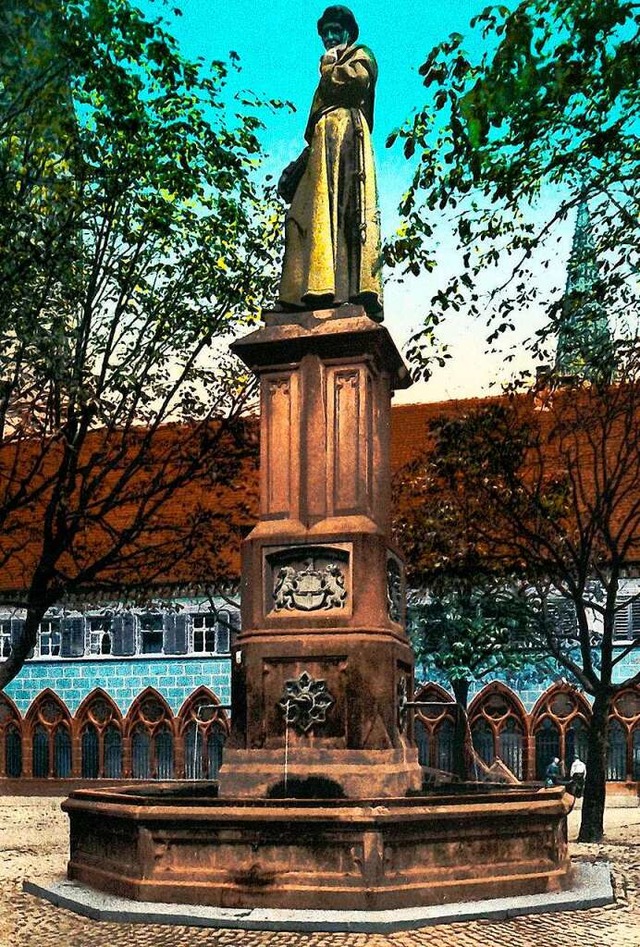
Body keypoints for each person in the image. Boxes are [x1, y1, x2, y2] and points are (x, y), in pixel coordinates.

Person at [277, 6, 383, 318]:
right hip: (322, 143)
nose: (330, 37)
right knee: (305, 214)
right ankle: (304, 291)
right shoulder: (333, 62)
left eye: (336, 31)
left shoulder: (361, 56)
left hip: (347, 136)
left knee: (345, 212)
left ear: (349, 32)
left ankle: (347, 290)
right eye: (326, 33)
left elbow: (352, 85)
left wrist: (328, 69)